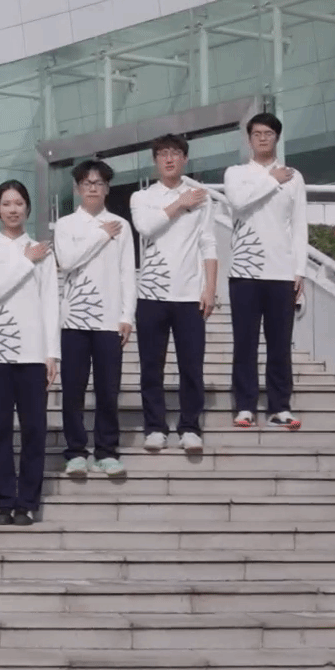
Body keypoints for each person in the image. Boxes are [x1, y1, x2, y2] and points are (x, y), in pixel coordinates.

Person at [0, 181, 58, 526]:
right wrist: (26, 260)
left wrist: (52, 353)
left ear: (28, 208)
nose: (13, 209)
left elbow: (51, 302)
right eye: (6, 203)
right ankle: (5, 501)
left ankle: (28, 502)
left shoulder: (43, 252)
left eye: (19, 203)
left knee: (34, 429)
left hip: (33, 353)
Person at [131, 135, 219, 453]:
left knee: (191, 366)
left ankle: (190, 427)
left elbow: (208, 242)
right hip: (151, 294)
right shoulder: (142, 197)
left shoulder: (201, 197)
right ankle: (155, 427)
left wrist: (210, 288)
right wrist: (180, 203)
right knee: (151, 366)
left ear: (184, 159)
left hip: (189, 294)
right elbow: (146, 227)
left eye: (176, 153)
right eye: (163, 154)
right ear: (155, 160)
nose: (169, 159)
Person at [223, 112, 307, 430]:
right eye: (257, 133)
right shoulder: (236, 174)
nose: (262, 138)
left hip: (281, 272)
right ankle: (245, 406)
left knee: (280, 344)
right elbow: (238, 202)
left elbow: (299, 226)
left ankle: (279, 407)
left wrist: (300, 270)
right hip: (244, 272)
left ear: (277, 138)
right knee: (245, 343)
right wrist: (272, 180)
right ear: (249, 139)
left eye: (268, 133)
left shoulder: (294, 177)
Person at [54, 159, 136, 477]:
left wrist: (127, 315)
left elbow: (128, 273)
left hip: (108, 321)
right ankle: (76, 452)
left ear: (107, 188)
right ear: (77, 188)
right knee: (73, 391)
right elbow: (66, 261)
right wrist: (101, 236)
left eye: (98, 183)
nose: (92, 188)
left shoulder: (121, 225)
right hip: (73, 321)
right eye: (87, 183)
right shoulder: (66, 225)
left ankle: (106, 451)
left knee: (108, 390)